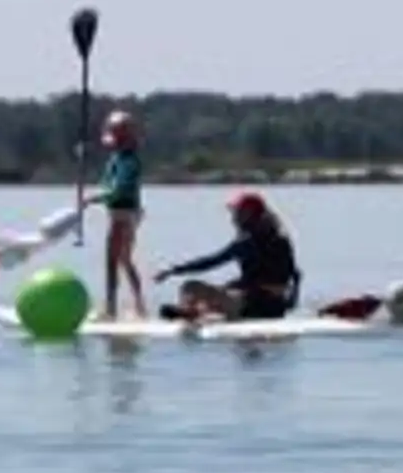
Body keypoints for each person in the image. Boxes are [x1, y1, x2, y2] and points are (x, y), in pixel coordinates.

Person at [157, 189, 300, 322]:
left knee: (190, 287)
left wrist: (174, 270)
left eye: (237, 212)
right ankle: (195, 311)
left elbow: (212, 261)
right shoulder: (281, 238)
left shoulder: (247, 241)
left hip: (255, 304)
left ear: (248, 214)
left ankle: (193, 312)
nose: (233, 217)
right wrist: (290, 303)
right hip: (276, 306)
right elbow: (296, 276)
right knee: (227, 289)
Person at [93, 108, 149, 319]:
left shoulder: (128, 160)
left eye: (116, 133)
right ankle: (140, 306)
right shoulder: (121, 154)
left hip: (123, 214)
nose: (111, 138)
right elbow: (106, 140)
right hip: (126, 212)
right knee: (125, 259)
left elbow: (118, 189)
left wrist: (94, 198)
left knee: (112, 261)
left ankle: (111, 309)